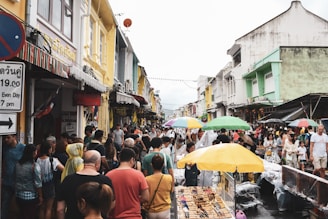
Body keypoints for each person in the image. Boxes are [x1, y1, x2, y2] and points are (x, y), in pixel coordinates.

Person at [57, 150, 115, 219]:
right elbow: (112, 203)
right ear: (97, 163)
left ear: (83, 162)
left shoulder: (68, 180)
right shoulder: (105, 180)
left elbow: (60, 209)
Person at [106, 147, 149, 219]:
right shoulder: (138, 175)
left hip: (114, 215)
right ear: (132, 160)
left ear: (119, 159)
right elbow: (146, 197)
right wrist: (135, 199)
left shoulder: (109, 175)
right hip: (133, 215)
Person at [36, 141, 64, 219]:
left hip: (40, 185)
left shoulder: (37, 160)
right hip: (50, 185)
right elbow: (63, 169)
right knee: (49, 208)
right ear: (49, 150)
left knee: (42, 207)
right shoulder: (53, 160)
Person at [15, 144, 43, 219]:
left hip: (18, 194)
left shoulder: (18, 164)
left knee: (22, 215)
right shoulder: (34, 166)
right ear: (33, 153)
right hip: (30, 196)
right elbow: (38, 183)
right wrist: (40, 196)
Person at [1, 134, 25, 219]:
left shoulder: (23, 148)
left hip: (19, 181)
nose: (6, 140)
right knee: (5, 203)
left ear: (14, 137)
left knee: (21, 204)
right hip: (7, 181)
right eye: (5, 138)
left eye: (8, 137)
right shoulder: (4, 148)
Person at [144, 154, 173, 219]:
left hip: (151, 211)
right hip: (164, 210)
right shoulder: (169, 178)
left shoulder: (147, 179)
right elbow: (170, 191)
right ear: (163, 165)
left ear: (151, 165)